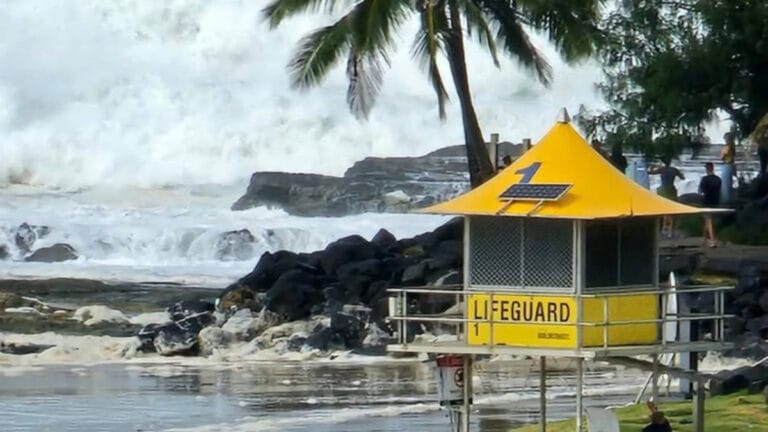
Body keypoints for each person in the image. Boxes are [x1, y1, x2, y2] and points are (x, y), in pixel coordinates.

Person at [649, 157, 685, 238]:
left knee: (664, 210)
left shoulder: (662, 169)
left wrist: (652, 166)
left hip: (663, 190)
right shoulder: (674, 170)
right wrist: (681, 173)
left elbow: (650, 172)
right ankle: (670, 231)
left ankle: (664, 229)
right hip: (671, 189)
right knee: (672, 211)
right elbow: (683, 178)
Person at [699, 162, 722, 248]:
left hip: (706, 202)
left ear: (706, 169)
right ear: (713, 168)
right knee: (708, 221)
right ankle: (704, 240)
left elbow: (701, 191)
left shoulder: (704, 179)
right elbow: (719, 191)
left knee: (709, 221)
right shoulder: (718, 179)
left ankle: (712, 240)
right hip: (715, 202)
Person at [720, 132, 737, 204]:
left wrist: (721, 154)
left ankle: (725, 202)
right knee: (729, 184)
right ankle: (730, 201)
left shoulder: (727, 147)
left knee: (725, 185)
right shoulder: (733, 146)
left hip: (726, 165)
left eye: (725, 138)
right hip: (731, 165)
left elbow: (722, 157)